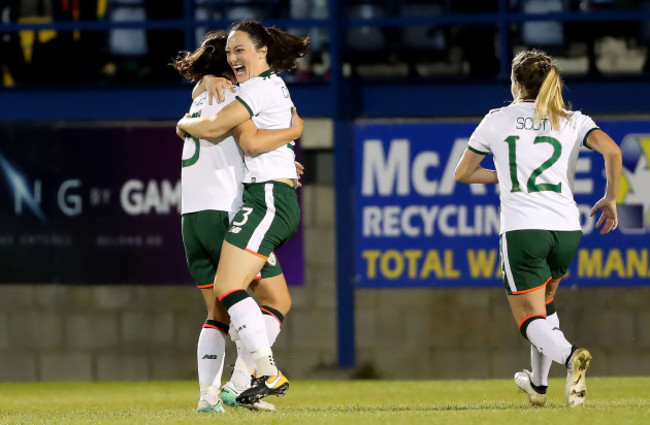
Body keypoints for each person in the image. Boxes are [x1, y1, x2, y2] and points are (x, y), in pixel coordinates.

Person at [454, 49, 622, 408]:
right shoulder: (572, 119)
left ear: (515, 84)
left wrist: (506, 178)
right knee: (545, 307)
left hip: (523, 231)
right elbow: (613, 152)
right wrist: (610, 198)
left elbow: (463, 173)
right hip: (566, 230)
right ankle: (538, 386)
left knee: (529, 318)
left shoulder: (497, 119)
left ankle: (571, 355)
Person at [176, 19, 309, 404]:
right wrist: (292, 135)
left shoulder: (216, 93)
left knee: (222, 305)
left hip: (201, 213)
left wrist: (184, 121)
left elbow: (241, 137)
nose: (235, 59)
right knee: (263, 298)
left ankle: (218, 393)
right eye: (230, 52)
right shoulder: (238, 92)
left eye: (241, 50)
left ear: (261, 51)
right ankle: (256, 377)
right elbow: (248, 140)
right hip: (239, 205)